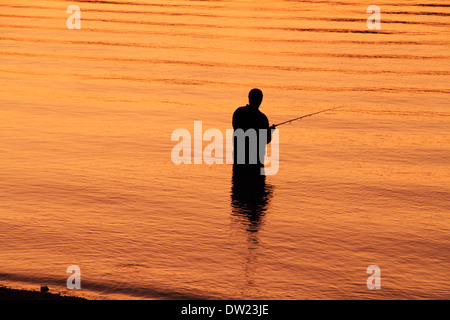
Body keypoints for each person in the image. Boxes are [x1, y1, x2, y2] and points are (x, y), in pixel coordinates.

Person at [232, 89, 275, 172]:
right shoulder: (262, 118)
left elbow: (236, 128)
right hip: (256, 163)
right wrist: (270, 131)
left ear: (249, 97)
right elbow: (265, 140)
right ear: (261, 100)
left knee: (238, 183)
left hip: (239, 159)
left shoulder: (238, 112)